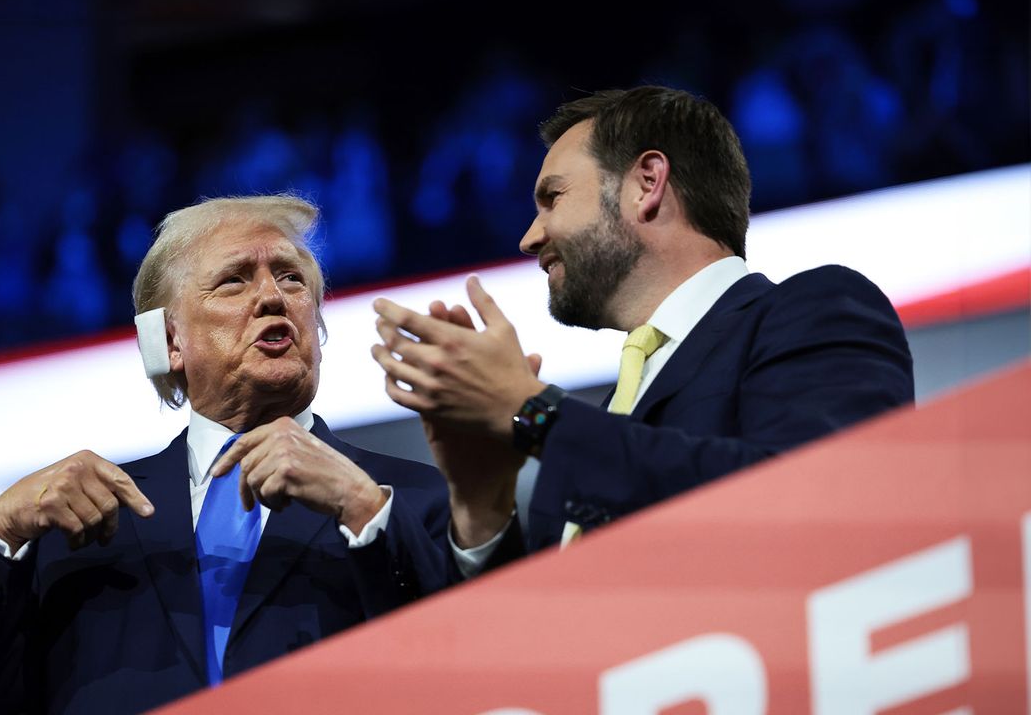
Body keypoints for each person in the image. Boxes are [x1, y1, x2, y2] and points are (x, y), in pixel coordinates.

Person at [0, 195, 450, 714]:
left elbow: (463, 676)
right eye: (234, 280)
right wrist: (1, 532)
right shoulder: (80, 527)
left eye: (292, 278)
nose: (273, 297)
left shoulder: (412, 503)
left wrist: (361, 509)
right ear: (169, 341)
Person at [371, 86, 914, 567]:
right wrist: (482, 501)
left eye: (552, 198)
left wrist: (533, 413)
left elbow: (811, 500)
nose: (530, 237)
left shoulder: (815, 309)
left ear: (646, 183)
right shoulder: (603, 423)